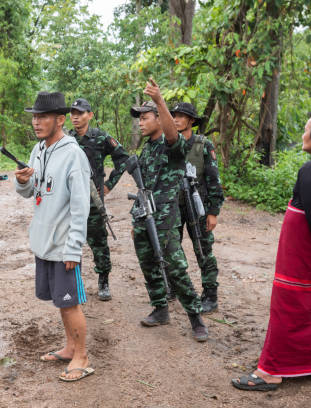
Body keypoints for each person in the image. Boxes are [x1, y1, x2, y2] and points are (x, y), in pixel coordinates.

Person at [232, 108, 311, 391]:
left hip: (304, 247)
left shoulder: (310, 170)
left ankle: (271, 371)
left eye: (306, 130)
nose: (303, 135)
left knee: (288, 302)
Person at [14, 91, 94, 382]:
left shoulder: (74, 154)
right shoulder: (39, 149)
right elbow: (30, 191)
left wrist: (74, 248)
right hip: (44, 242)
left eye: (43, 116)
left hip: (63, 245)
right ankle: (71, 347)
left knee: (70, 301)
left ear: (60, 119)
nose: (36, 122)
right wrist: (22, 181)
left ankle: (83, 356)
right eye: (34, 117)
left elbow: (80, 206)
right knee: (60, 300)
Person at [129, 79, 208, 342]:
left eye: (145, 117)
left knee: (175, 268)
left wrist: (160, 100)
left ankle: (195, 318)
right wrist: (135, 218)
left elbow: (173, 136)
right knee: (148, 265)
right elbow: (143, 185)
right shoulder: (147, 148)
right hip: (144, 216)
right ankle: (160, 308)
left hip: (164, 220)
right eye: (139, 118)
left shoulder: (172, 146)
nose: (140, 122)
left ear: (159, 120)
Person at [68, 98, 129, 301]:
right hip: (70, 201)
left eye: (80, 112)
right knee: (71, 241)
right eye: (73, 113)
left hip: (94, 201)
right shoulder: (66, 139)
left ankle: (103, 281)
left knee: (99, 242)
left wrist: (110, 184)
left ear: (90, 115)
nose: (75, 116)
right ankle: (73, 282)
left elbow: (123, 158)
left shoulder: (100, 137)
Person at [170, 102, 224, 312]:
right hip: (173, 207)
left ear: (191, 121)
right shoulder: (168, 143)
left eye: (181, 116)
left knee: (203, 250)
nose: (176, 119)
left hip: (197, 206)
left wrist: (213, 212)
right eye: (174, 115)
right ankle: (173, 288)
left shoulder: (203, 145)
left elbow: (213, 179)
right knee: (171, 250)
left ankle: (210, 295)